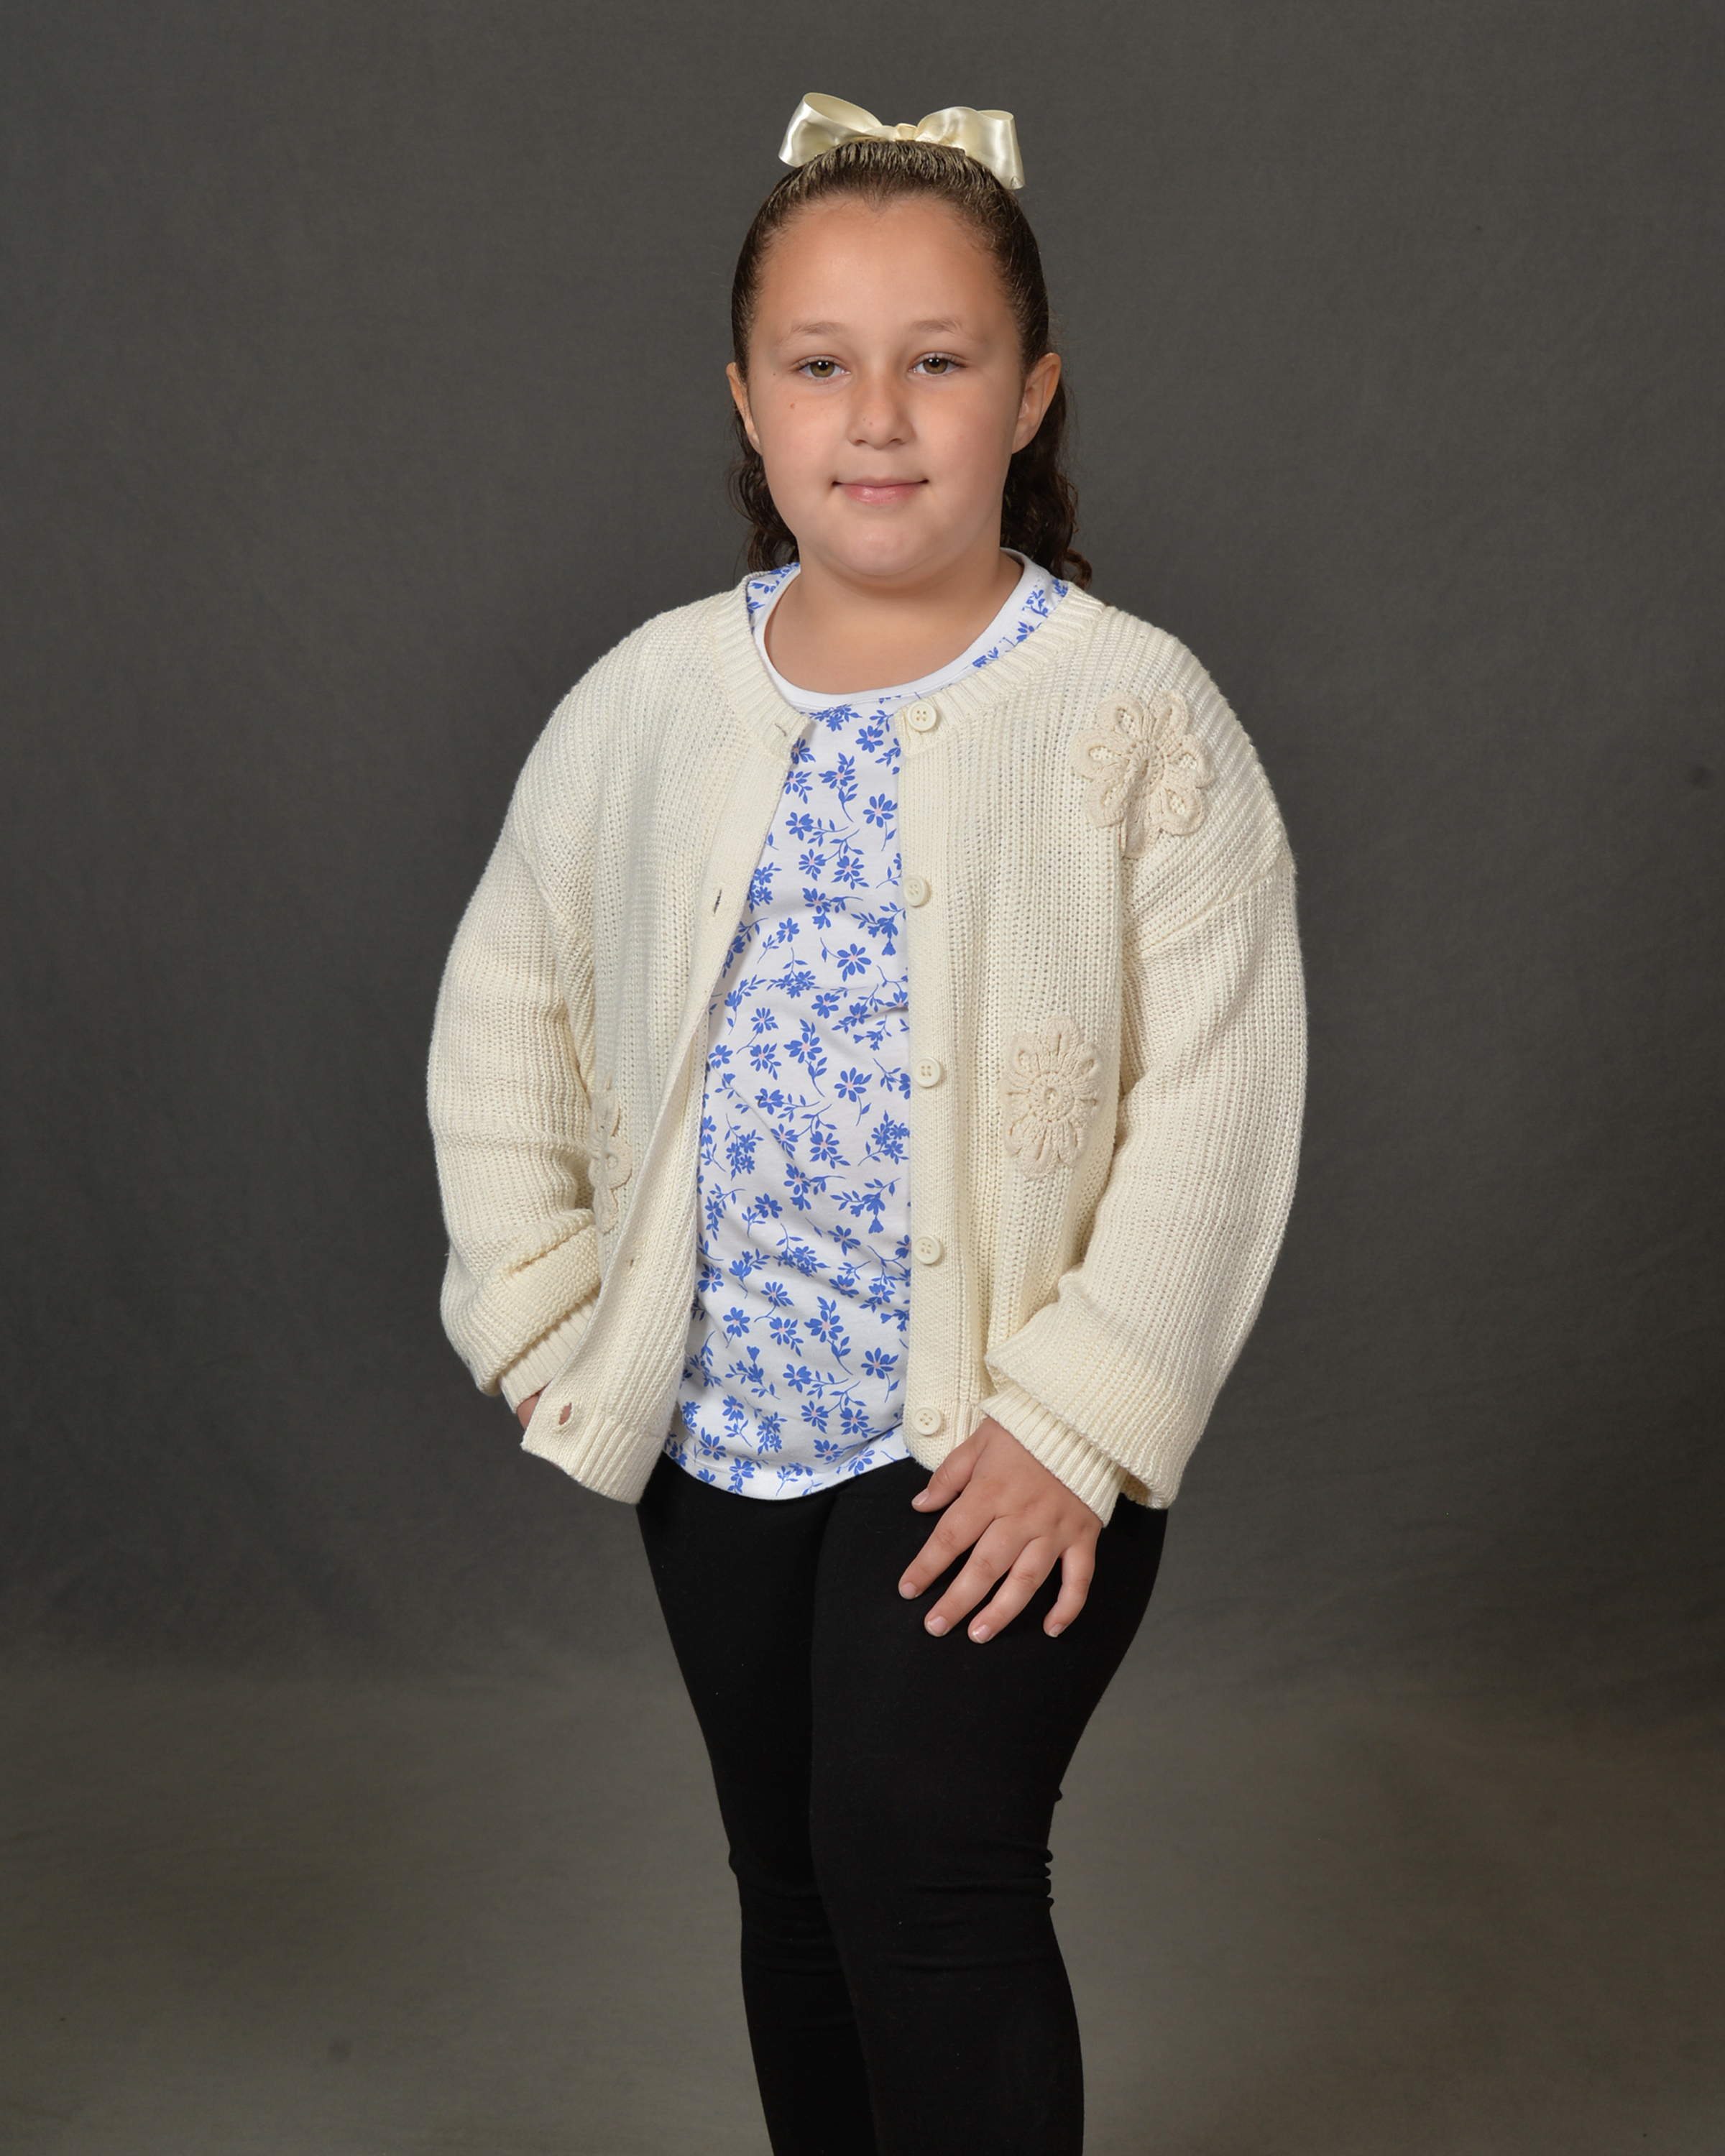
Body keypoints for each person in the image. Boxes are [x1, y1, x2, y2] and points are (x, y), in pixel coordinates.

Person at [428, 92, 1306, 2156]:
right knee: (798, 1883)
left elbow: (1220, 1094)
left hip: (1000, 1435)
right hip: (722, 1418)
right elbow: (507, 1003)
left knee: (925, 1861)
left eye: (940, 361)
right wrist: (542, 1308)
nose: (880, 418)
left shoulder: (1134, 714)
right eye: (821, 366)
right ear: (747, 402)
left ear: (1033, 395)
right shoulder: (647, 703)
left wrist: (1083, 1416)